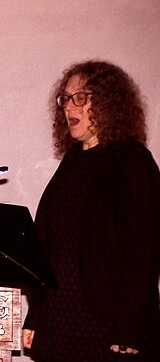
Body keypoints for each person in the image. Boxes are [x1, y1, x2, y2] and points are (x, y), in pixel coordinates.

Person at [22, 60, 160, 361]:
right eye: (66, 99)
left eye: (80, 98)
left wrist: (129, 329)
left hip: (107, 324)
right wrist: (36, 316)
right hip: (60, 320)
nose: (70, 107)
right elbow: (47, 248)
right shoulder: (71, 163)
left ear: (109, 102)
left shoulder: (133, 162)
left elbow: (144, 254)